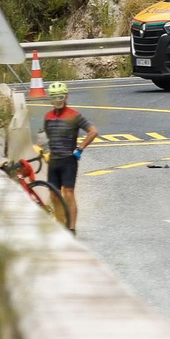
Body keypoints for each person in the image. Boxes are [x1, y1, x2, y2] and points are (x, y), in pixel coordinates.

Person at [42, 82, 97, 236]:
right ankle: (60, 224)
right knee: (53, 194)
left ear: (66, 97)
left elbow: (93, 132)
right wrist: (46, 151)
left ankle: (71, 228)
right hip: (53, 161)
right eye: (54, 98)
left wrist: (80, 149)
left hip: (68, 161)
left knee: (68, 192)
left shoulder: (74, 115)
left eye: (60, 97)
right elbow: (47, 137)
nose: (57, 100)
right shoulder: (48, 116)